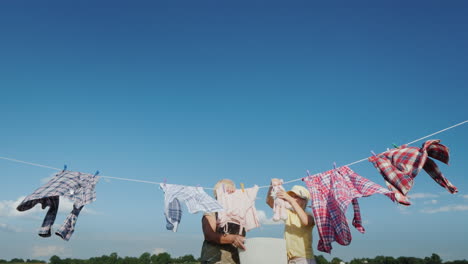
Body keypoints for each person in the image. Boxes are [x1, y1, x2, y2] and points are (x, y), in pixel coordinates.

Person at [266, 180, 316, 264]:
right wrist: (272, 186)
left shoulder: (309, 215)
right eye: (291, 196)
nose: (292, 198)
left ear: (304, 200)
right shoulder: (288, 212)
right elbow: (269, 202)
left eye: (295, 196)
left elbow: (306, 222)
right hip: (289, 259)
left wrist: (290, 200)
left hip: (304, 259)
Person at [200, 179, 247, 264]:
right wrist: (233, 238)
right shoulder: (211, 210)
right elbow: (209, 235)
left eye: (233, 191)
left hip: (236, 260)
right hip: (215, 261)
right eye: (227, 191)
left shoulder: (239, 212)